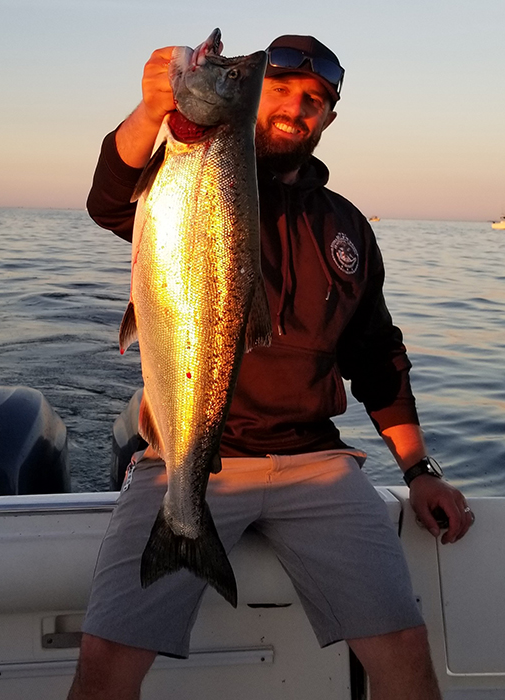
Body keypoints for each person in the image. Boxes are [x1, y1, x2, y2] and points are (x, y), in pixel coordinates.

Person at [68, 35, 474, 700]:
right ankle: (182, 521)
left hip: (314, 461)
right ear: (251, 102)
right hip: (184, 456)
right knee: (106, 657)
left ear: (329, 119)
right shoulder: (185, 166)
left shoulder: (346, 228)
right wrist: (149, 114)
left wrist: (420, 470)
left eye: (314, 100)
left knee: (404, 648)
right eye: (278, 89)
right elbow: (110, 202)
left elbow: (375, 359)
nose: (295, 107)